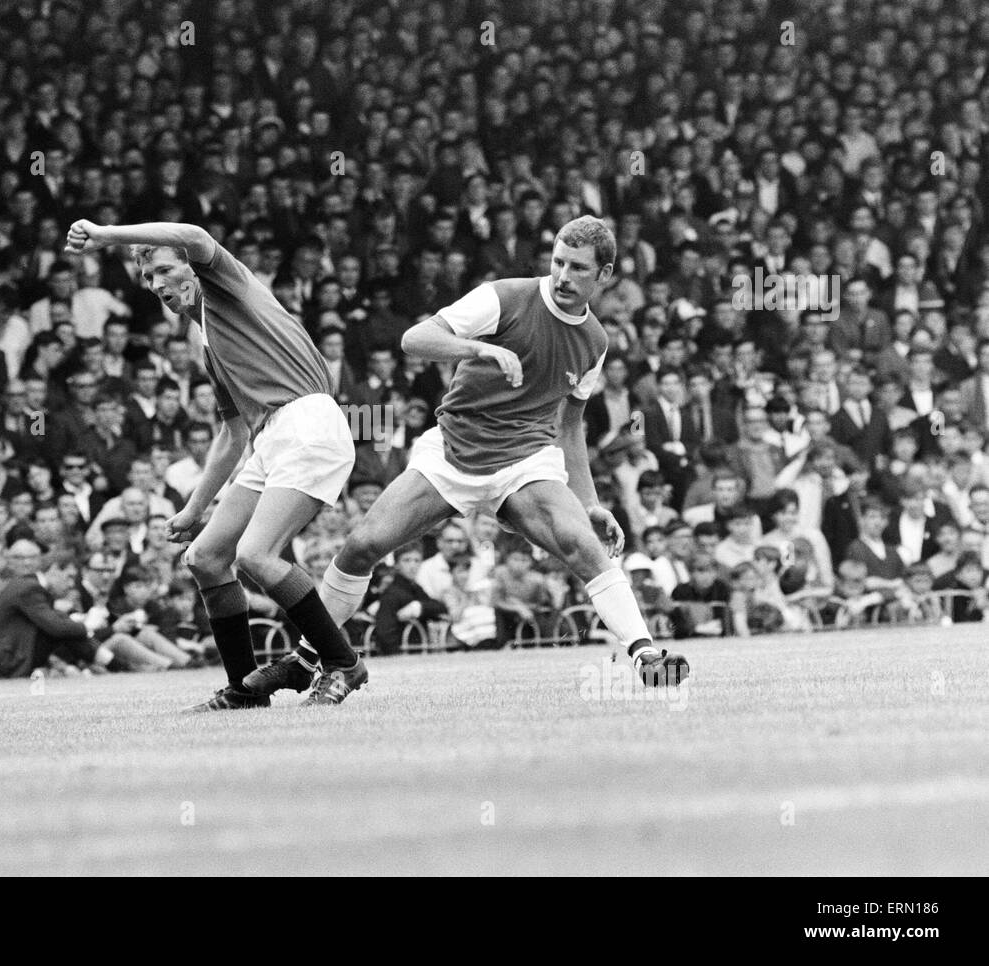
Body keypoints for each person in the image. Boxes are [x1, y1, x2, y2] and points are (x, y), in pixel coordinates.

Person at [248, 216, 689, 696]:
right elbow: (414, 339)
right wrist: (480, 350)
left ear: (604, 275)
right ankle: (309, 659)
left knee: (582, 543)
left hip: (525, 459)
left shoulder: (596, 342)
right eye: (558, 262)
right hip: (454, 450)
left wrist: (588, 502)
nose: (563, 276)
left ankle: (645, 655)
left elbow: (569, 427)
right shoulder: (503, 297)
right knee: (362, 547)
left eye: (579, 268)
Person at [64, 219, 364, 710]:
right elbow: (232, 434)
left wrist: (105, 235)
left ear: (191, 268)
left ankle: (342, 663)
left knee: (256, 555)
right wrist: (193, 507)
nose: (158, 284)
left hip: (308, 421)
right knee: (204, 558)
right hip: (270, 436)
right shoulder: (207, 341)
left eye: (164, 269)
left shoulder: (230, 286)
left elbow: (197, 235)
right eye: (148, 279)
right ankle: (245, 691)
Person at [0, 539, 124, 679]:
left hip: (5, 655)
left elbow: (54, 621)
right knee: (65, 631)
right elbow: (56, 627)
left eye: (31, 557)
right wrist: (87, 626)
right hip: (6, 662)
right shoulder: (26, 587)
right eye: (68, 577)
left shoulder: (20, 584)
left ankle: (113, 666)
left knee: (66, 627)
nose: (26, 562)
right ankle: (118, 666)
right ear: (54, 569)